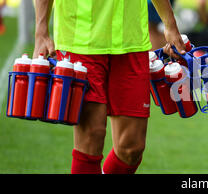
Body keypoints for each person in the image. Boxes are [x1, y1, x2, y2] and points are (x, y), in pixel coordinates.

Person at [33, 0, 186, 174]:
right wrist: (41, 31)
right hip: (80, 40)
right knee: (91, 136)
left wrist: (170, 24)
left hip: (131, 39)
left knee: (131, 148)